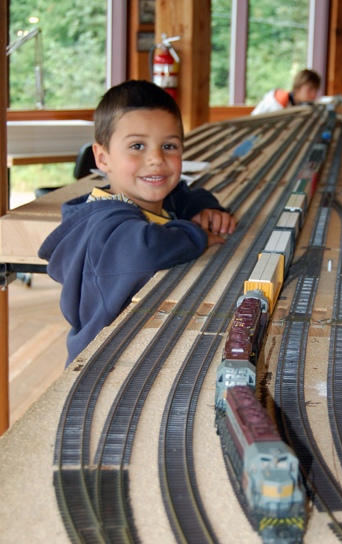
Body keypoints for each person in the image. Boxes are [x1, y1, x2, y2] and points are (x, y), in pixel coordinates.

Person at [39, 80, 235, 366]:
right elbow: (145, 249)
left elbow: (183, 193)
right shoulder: (103, 226)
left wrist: (202, 208)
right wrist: (197, 234)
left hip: (141, 347)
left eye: (169, 145)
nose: (156, 159)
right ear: (103, 158)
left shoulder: (150, 198)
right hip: (102, 365)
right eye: (137, 146)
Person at [251, 69, 321, 116]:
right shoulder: (277, 104)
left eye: (316, 90)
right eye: (310, 89)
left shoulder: (299, 105)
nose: (314, 94)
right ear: (297, 88)